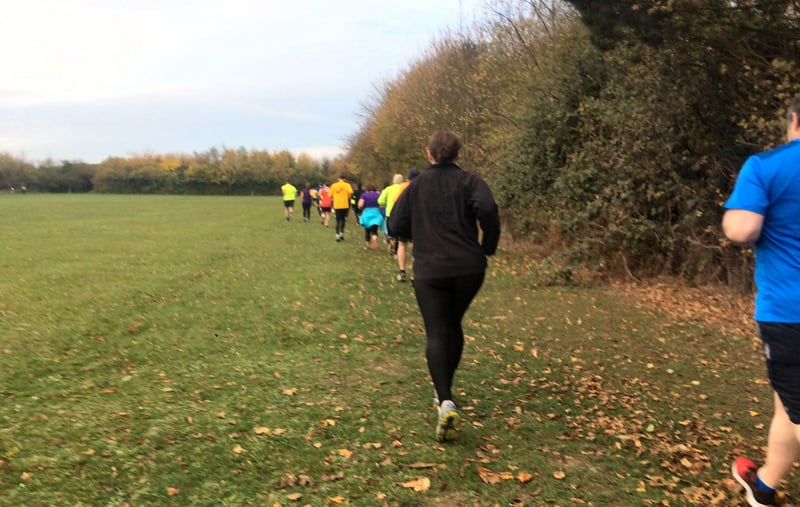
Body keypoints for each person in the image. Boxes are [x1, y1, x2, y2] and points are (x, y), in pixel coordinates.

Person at [388, 131, 500, 442]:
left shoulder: (416, 186)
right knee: (452, 324)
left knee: (437, 330)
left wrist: (420, 232)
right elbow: (488, 210)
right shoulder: (470, 181)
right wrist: (487, 245)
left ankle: (445, 398)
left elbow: (395, 225)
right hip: (469, 268)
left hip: (431, 270)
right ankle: (445, 394)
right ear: (457, 154)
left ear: (429, 154)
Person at [724, 94, 800, 507]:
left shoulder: (766, 166)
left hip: (790, 313)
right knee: (787, 405)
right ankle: (764, 486)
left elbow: (741, 228)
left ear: (793, 120)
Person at [395, 167, 419, 282]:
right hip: (418, 220)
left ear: (408, 178)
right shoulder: (422, 187)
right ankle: (415, 274)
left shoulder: (402, 187)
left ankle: (402, 271)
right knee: (417, 246)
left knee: (402, 244)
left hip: (404, 219)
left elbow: (396, 203)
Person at [378, 173, 406, 254]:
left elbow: (380, 201)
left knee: (390, 231)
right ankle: (397, 250)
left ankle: (391, 244)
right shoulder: (404, 188)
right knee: (399, 232)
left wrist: (386, 202)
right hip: (401, 213)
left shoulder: (388, 189)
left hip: (390, 213)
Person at [358, 182, 385, 250]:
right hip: (376, 213)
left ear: (367, 188)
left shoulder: (364, 195)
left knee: (367, 229)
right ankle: (374, 237)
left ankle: (367, 245)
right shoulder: (378, 194)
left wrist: (360, 207)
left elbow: (360, 205)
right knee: (374, 229)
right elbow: (382, 203)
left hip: (367, 213)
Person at [330, 174, 354, 241]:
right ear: (344, 179)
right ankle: (341, 233)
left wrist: (335, 197)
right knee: (343, 220)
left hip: (337, 205)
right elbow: (351, 192)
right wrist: (347, 197)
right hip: (344, 204)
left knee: (337, 220)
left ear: (338, 179)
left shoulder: (334, 185)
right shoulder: (347, 185)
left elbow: (330, 195)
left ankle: (337, 235)